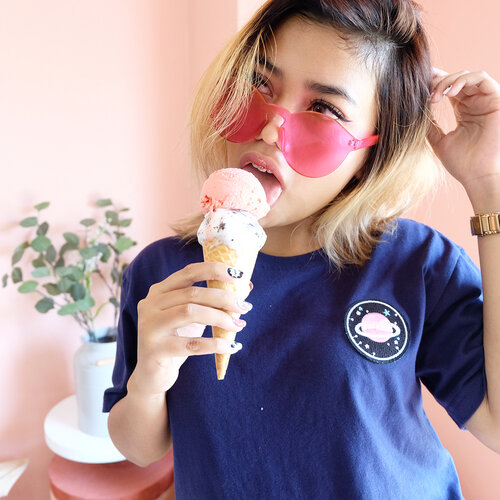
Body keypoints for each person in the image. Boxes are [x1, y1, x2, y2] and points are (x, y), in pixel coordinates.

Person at [104, 0, 500, 498]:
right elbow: (139, 448)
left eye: (324, 109)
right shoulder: (162, 271)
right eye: (260, 85)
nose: (271, 128)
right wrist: (148, 378)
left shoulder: (417, 266)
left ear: (371, 153)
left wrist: (490, 185)